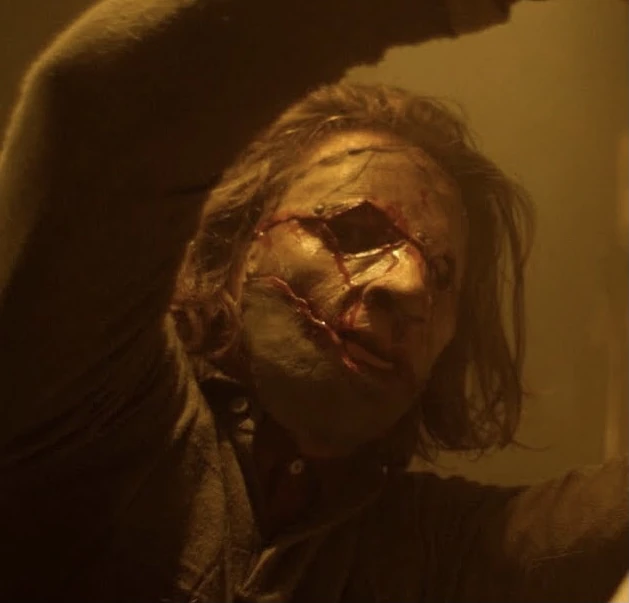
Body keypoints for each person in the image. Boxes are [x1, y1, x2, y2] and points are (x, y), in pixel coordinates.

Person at [0, 0, 626, 601]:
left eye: (442, 275)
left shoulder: (426, 548)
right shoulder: (98, 404)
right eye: (353, 231)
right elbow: (100, 108)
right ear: (240, 246)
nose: (410, 288)